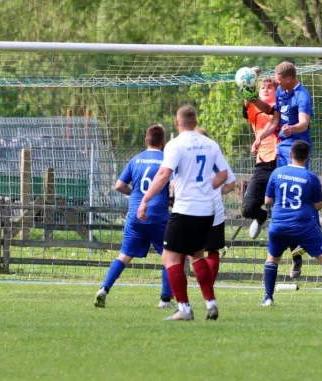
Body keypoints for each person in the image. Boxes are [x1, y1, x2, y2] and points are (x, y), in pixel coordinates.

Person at [137, 105, 230, 321]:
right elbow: (224, 174)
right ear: (195, 123)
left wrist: (145, 199)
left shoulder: (175, 145)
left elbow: (163, 174)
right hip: (206, 210)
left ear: (177, 123)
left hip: (185, 209)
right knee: (197, 255)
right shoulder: (210, 144)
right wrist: (208, 188)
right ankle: (211, 302)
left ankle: (184, 308)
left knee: (170, 258)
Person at [261, 140, 322, 308]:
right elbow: (318, 205)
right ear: (308, 156)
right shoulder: (311, 178)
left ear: (290, 155)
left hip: (279, 223)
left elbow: (268, 200)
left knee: (273, 259)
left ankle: (268, 298)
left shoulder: (277, 173)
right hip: (303, 224)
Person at [94, 125, 174, 309]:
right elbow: (173, 186)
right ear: (163, 142)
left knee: (124, 255)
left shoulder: (135, 160)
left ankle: (104, 289)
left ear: (146, 141)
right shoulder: (166, 160)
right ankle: (165, 299)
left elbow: (118, 185)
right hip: (157, 216)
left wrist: (134, 194)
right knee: (171, 256)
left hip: (135, 216)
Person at [247, 62, 314, 278]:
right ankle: (266, 219)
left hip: (292, 149)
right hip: (272, 156)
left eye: (276, 80)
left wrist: (292, 128)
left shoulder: (301, 96)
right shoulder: (277, 96)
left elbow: (303, 123)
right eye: (267, 84)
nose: (273, 84)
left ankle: (305, 240)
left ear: (287, 79)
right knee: (274, 205)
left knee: (294, 199)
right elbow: (274, 118)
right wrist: (261, 137)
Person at [195, 128, 236, 284]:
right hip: (213, 210)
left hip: (192, 208)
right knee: (213, 249)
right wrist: (218, 191)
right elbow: (231, 184)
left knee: (184, 248)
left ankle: (173, 290)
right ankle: (208, 286)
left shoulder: (187, 156)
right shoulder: (216, 158)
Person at [241, 76, 278, 240]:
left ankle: (295, 258)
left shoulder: (280, 107)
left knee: (283, 212)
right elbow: (247, 102)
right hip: (262, 163)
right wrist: (249, 82)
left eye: (270, 88)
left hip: (280, 162)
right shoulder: (254, 111)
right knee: (247, 208)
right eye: (262, 87)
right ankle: (261, 216)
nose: (265, 89)